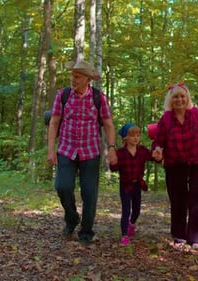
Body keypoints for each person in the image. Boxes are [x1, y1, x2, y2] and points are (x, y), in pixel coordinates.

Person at [47, 59, 117, 243]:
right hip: (66, 149)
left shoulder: (98, 97)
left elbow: (109, 125)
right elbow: (54, 122)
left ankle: (86, 232)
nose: (73, 79)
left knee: (89, 192)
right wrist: (51, 149)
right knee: (62, 186)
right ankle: (71, 218)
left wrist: (111, 148)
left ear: (88, 79)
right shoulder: (63, 95)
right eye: (72, 75)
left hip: (90, 151)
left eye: (77, 76)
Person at [151, 82, 198, 250]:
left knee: (196, 200)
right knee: (178, 200)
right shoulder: (165, 118)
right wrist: (157, 151)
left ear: (187, 98)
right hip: (174, 164)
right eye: (175, 97)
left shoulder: (196, 114)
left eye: (182, 96)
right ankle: (179, 236)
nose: (179, 100)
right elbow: (158, 141)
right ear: (170, 100)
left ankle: (195, 239)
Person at [109, 123, 160, 245]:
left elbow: (152, 157)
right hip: (125, 185)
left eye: (138, 135)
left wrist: (157, 155)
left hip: (137, 184)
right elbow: (114, 168)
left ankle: (131, 223)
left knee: (136, 209)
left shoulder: (142, 150)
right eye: (132, 136)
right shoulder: (120, 153)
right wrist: (112, 162)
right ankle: (124, 235)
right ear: (126, 138)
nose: (136, 138)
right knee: (126, 210)